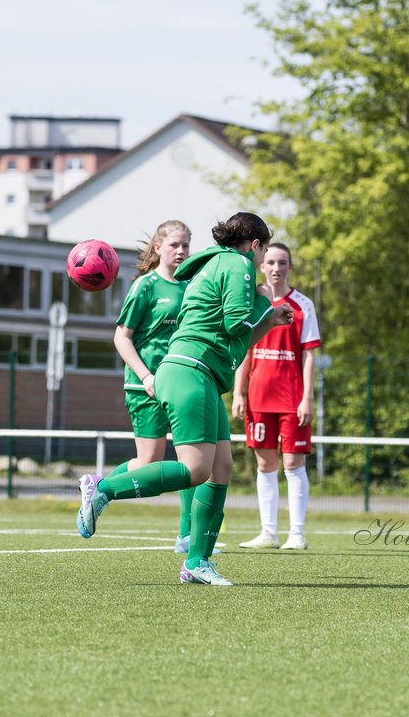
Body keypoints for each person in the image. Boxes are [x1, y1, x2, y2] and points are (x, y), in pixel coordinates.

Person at [76, 212, 294, 586]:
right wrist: (263, 303)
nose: (261, 264)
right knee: (196, 470)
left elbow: (233, 339)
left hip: (198, 372)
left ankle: (196, 562)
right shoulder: (238, 265)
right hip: (191, 371)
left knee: (221, 468)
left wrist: (268, 321)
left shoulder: (211, 262)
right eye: (262, 254)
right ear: (255, 246)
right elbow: (235, 325)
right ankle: (104, 489)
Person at [108, 220, 194, 552]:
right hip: (144, 387)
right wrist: (147, 377)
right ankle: (100, 489)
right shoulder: (145, 286)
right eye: (175, 244)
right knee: (150, 461)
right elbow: (121, 337)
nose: (182, 251)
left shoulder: (190, 286)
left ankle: (187, 535)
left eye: (186, 245)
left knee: (192, 459)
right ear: (158, 248)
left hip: (181, 384)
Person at [233, 243, 321, 551]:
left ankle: (296, 534)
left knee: (293, 464)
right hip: (258, 396)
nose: (276, 268)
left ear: (290, 267)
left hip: (291, 397)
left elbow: (310, 354)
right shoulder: (253, 301)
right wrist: (238, 392)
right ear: (262, 265)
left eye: (282, 262)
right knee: (264, 464)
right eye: (270, 261)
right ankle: (267, 532)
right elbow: (244, 349)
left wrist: (307, 398)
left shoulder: (302, 305)